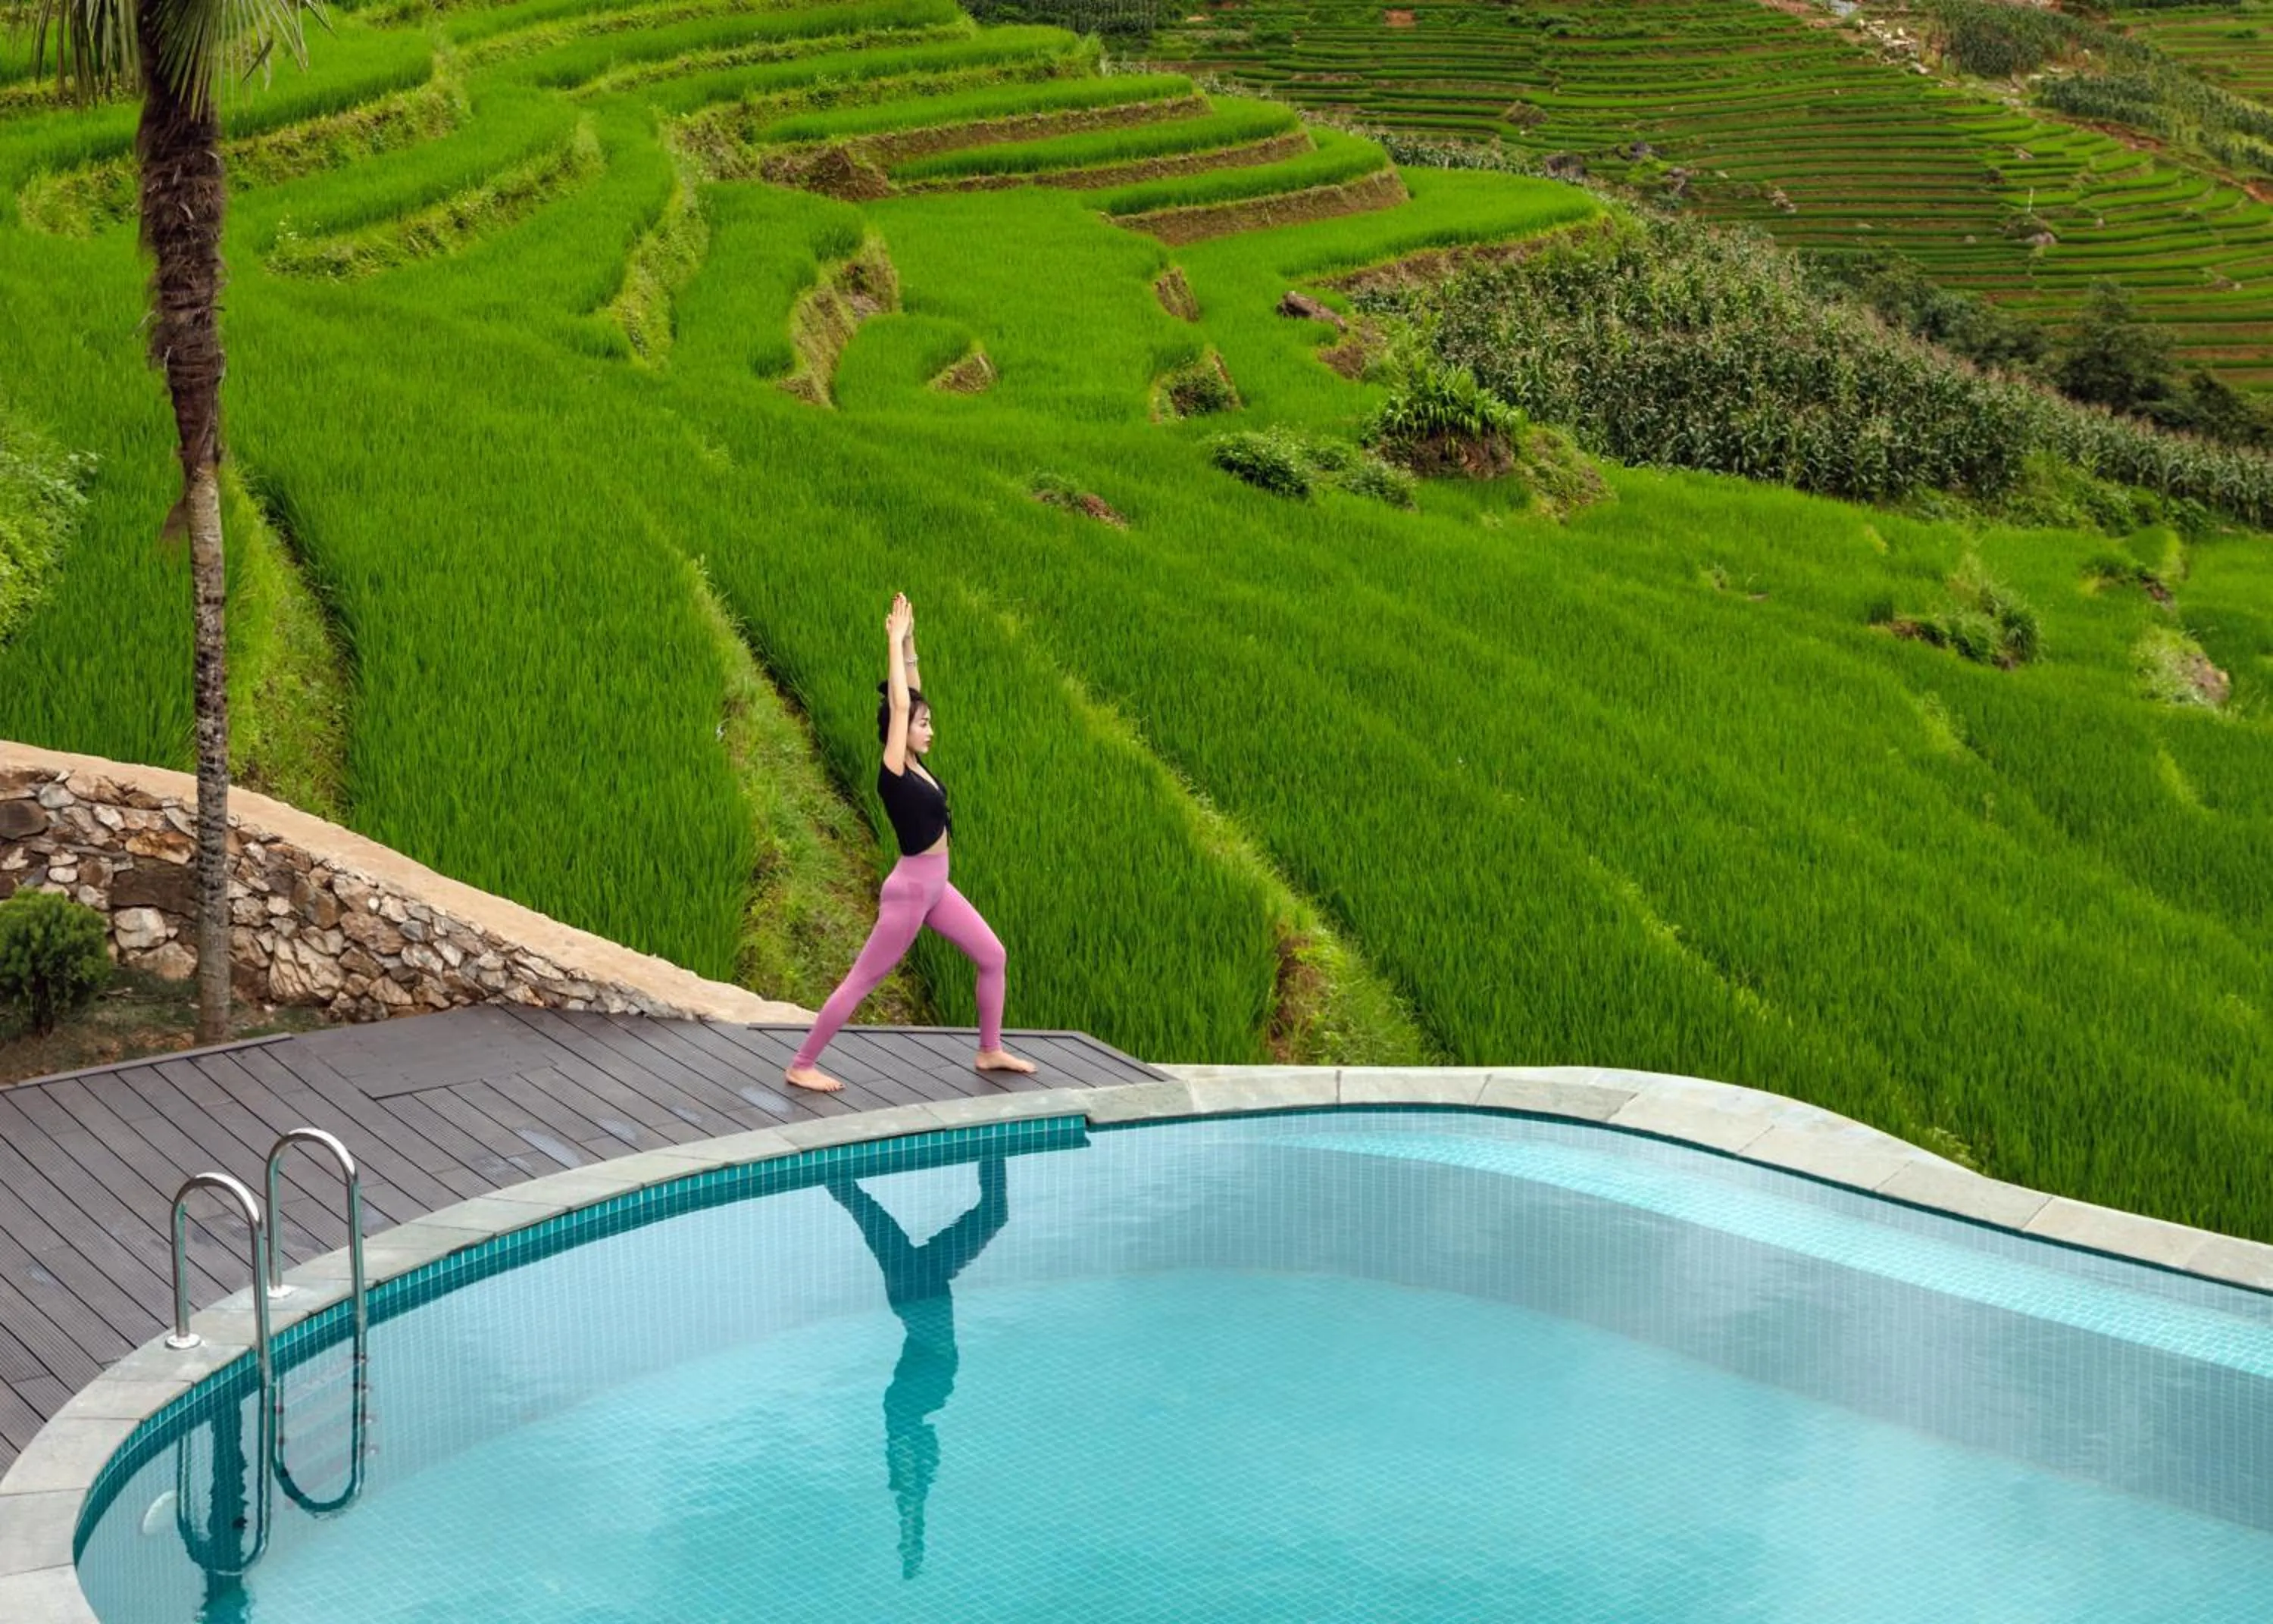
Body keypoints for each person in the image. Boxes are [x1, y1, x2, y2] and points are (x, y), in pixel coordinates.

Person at [785, 592, 1037, 1093]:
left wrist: (910, 643)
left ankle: (989, 1050)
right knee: (862, 981)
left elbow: (911, 694)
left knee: (993, 956)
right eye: (924, 725)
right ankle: (802, 1063)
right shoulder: (893, 772)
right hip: (909, 894)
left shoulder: (917, 767)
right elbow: (901, 704)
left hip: (937, 888)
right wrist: (892, 641)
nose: (930, 730)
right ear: (899, 733)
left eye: (928, 722)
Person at [824, 1154, 1009, 1579]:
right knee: (869, 1212)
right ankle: (991, 1144)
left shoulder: (911, 1411)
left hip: (918, 1293)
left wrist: (912, 1531)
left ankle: (828, 1172)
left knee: (869, 1212)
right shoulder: (915, 1405)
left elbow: (910, 1488)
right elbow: (910, 1477)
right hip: (920, 1288)